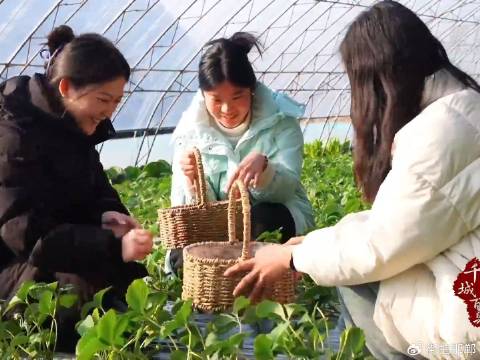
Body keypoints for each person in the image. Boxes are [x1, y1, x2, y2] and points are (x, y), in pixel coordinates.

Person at [225, 2, 480, 359]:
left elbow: (380, 246)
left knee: (351, 275)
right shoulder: (463, 108)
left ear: (380, 76)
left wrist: (295, 258)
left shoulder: (441, 132)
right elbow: (407, 219)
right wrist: (310, 244)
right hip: (464, 269)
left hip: (469, 321)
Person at [0, 25, 153, 352]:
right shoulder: (12, 134)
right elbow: (25, 233)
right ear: (67, 87)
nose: (110, 110)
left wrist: (108, 213)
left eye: (117, 101)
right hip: (11, 262)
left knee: (129, 280)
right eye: (103, 99)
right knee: (83, 294)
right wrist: (111, 247)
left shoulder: (73, 124)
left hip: (52, 251)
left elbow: (95, 185)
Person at [166, 32, 315, 274]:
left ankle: (235, 270)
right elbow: (186, 214)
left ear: (252, 90)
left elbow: (288, 187)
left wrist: (265, 169)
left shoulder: (282, 121)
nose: (227, 109)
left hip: (271, 216)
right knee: (182, 255)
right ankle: (227, 273)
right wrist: (194, 182)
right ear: (203, 96)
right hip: (219, 228)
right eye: (216, 100)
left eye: (237, 97)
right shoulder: (189, 134)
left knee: (264, 220)